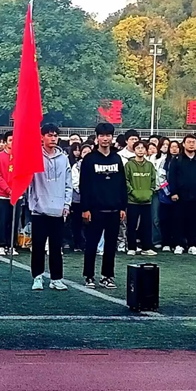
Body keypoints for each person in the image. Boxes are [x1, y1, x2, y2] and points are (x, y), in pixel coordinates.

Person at [80, 122, 127, 289]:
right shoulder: (89, 159)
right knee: (91, 244)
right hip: (95, 210)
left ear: (112, 137)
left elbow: (122, 184)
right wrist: (85, 208)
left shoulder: (117, 158)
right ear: (97, 137)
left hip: (114, 209)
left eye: (108, 135)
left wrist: (122, 207)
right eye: (102, 135)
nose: (105, 139)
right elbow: (84, 185)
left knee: (110, 246)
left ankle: (107, 276)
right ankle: (89, 276)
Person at [27, 124, 72, 291]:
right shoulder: (34, 156)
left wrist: (66, 204)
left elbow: (68, 183)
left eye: (55, 136)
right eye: (49, 135)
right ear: (42, 137)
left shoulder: (63, 158)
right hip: (39, 209)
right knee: (38, 246)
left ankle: (56, 278)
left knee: (56, 247)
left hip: (58, 209)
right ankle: (37, 276)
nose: (53, 139)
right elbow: (27, 179)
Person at [169, 134, 196, 255]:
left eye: (193, 142)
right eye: (189, 142)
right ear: (183, 144)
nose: (191, 144)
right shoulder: (177, 159)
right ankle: (179, 244)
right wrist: (173, 192)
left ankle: (193, 245)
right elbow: (172, 177)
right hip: (180, 195)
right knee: (179, 220)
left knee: (195, 221)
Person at [124, 141, 158, 256]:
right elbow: (125, 180)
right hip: (132, 200)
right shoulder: (129, 165)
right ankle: (131, 247)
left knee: (146, 225)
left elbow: (153, 180)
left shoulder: (149, 165)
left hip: (147, 200)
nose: (140, 150)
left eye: (142, 148)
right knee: (132, 225)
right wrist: (132, 192)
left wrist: (150, 192)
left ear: (146, 151)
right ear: (134, 150)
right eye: (137, 148)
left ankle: (146, 247)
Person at [0, 131, 19, 256]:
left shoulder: (20, 157)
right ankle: (1, 245)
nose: (12, 143)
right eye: (10, 140)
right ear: (5, 142)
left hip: (17, 195)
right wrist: (8, 190)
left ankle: (11, 245)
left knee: (13, 222)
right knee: (2, 221)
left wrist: (17, 190)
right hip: (2, 195)